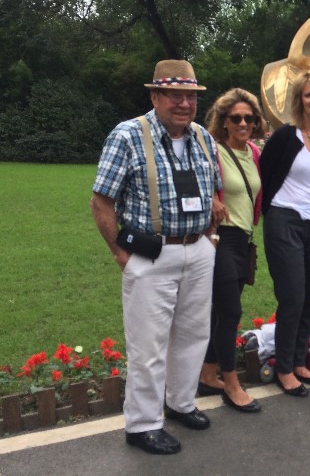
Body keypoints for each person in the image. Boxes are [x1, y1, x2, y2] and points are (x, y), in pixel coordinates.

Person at [90, 60, 225, 455]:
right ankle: (143, 425)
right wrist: (120, 253)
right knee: (148, 346)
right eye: (175, 95)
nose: (184, 103)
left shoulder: (203, 137)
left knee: (194, 335)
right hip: (150, 254)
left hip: (198, 249)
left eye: (191, 96)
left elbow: (217, 194)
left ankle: (180, 403)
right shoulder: (129, 135)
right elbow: (101, 202)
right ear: (155, 97)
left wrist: (211, 238)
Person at [259, 69, 310, 396]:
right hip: (285, 220)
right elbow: (264, 175)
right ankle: (283, 367)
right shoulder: (285, 137)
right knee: (292, 295)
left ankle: (298, 360)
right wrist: (269, 213)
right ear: (300, 100)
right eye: (309, 94)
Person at [197, 89, 266, 412]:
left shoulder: (253, 152)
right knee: (230, 313)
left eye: (248, 118)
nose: (242, 123)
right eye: (235, 118)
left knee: (218, 312)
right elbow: (193, 179)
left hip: (243, 239)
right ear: (223, 121)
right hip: (219, 238)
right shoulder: (211, 150)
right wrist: (210, 197)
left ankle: (208, 374)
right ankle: (232, 384)